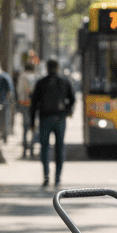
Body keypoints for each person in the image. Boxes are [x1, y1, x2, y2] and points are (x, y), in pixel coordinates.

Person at [29, 58, 75, 188]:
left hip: (45, 119)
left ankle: (46, 175)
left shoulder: (41, 83)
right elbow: (72, 99)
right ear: (58, 68)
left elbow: (34, 104)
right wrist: (67, 111)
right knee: (60, 148)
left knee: (45, 148)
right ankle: (58, 177)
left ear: (47, 68)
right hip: (60, 119)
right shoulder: (64, 82)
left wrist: (32, 122)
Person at [16, 54, 40, 158]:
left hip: (24, 104)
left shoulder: (22, 77)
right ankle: (31, 149)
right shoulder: (35, 77)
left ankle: (25, 150)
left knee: (25, 128)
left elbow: (19, 90)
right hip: (34, 105)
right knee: (33, 128)